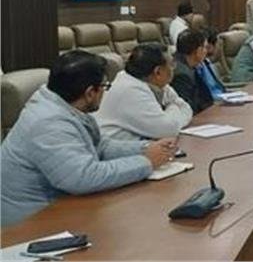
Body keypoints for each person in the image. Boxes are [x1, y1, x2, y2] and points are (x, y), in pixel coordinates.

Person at [0, 51, 176, 226]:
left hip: (62, 206)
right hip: (28, 224)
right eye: (104, 86)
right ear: (90, 92)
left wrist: (145, 148)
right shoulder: (48, 123)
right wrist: (146, 162)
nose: (105, 92)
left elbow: (100, 146)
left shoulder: (65, 105)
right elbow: (83, 177)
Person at [97, 43, 193, 141]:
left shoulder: (155, 82)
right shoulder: (131, 90)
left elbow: (186, 108)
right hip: (115, 147)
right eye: (172, 64)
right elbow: (168, 130)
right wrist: (173, 107)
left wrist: (171, 117)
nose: (174, 68)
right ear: (158, 72)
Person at [171, 30, 214, 114]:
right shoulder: (182, 74)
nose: (206, 51)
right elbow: (189, 109)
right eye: (205, 47)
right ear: (198, 51)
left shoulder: (188, 66)